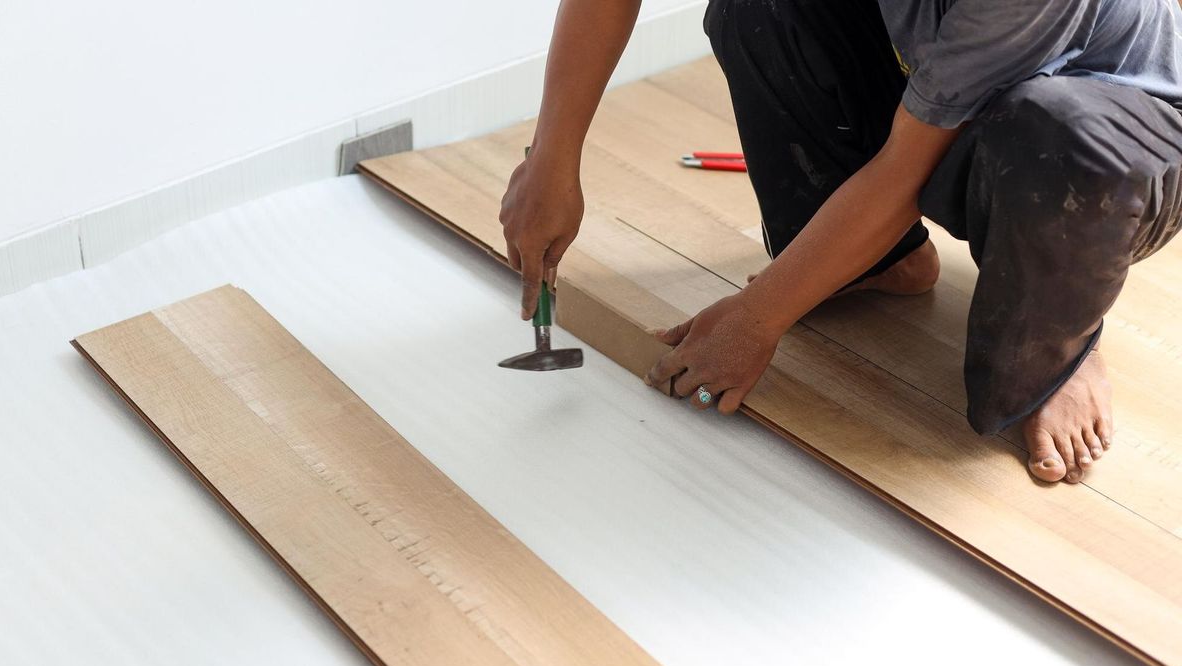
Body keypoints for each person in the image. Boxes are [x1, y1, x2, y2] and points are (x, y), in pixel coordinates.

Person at [500, 0, 1182, 484]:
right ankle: (881, 261)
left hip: (1118, 144)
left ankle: (1062, 344)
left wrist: (758, 318)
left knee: (1050, 128)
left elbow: (902, 170)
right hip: (957, 90)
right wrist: (552, 159)